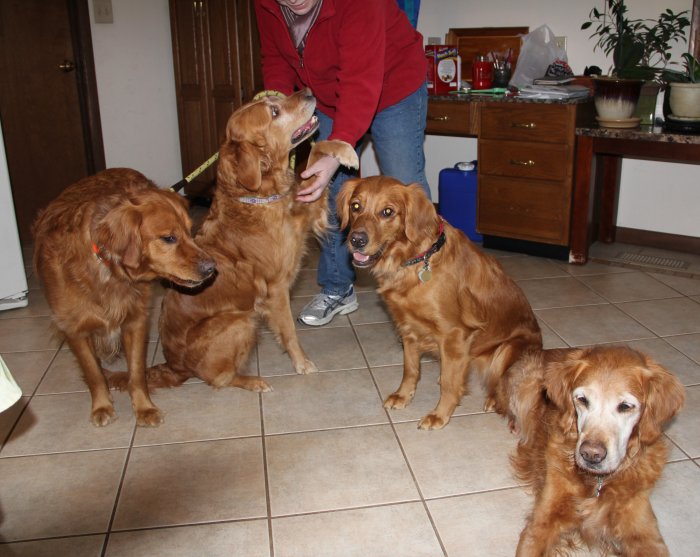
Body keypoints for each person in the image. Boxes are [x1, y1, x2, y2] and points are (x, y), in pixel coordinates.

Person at [254, 0, 431, 326]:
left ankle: (426, 288)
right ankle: (338, 288)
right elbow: (275, 60)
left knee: (405, 183)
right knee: (325, 189)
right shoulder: (265, 5)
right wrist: (273, 115)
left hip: (394, 88)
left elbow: (360, 78)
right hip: (327, 98)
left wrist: (338, 147)